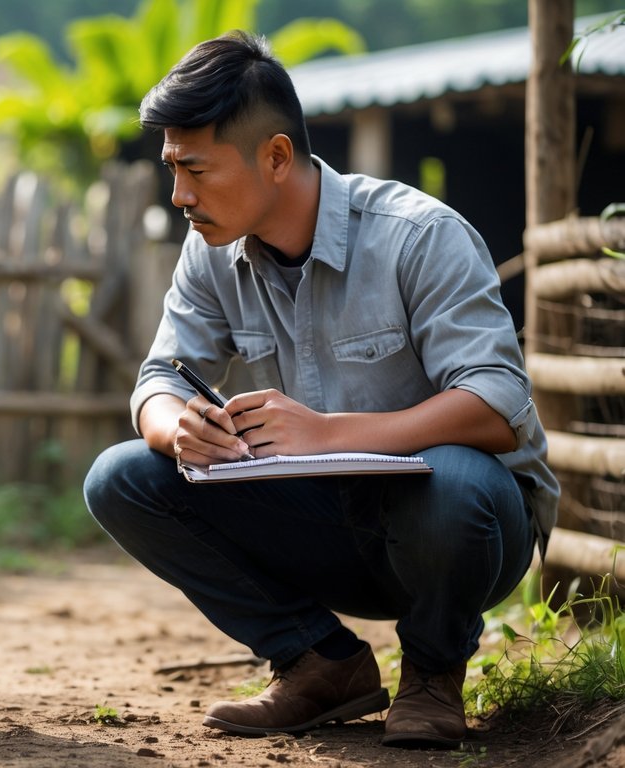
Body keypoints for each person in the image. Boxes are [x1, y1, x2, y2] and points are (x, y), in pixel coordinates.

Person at [83, 30, 558, 749]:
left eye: (195, 170)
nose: (178, 195)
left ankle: (432, 672)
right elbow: (157, 377)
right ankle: (319, 663)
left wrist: (328, 431)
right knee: (121, 475)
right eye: (171, 169)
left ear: (274, 157)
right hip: (330, 527)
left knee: (455, 479)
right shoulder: (209, 250)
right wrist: (174, 425)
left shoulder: (417, 236)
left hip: (465, 535)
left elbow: (496, 407)